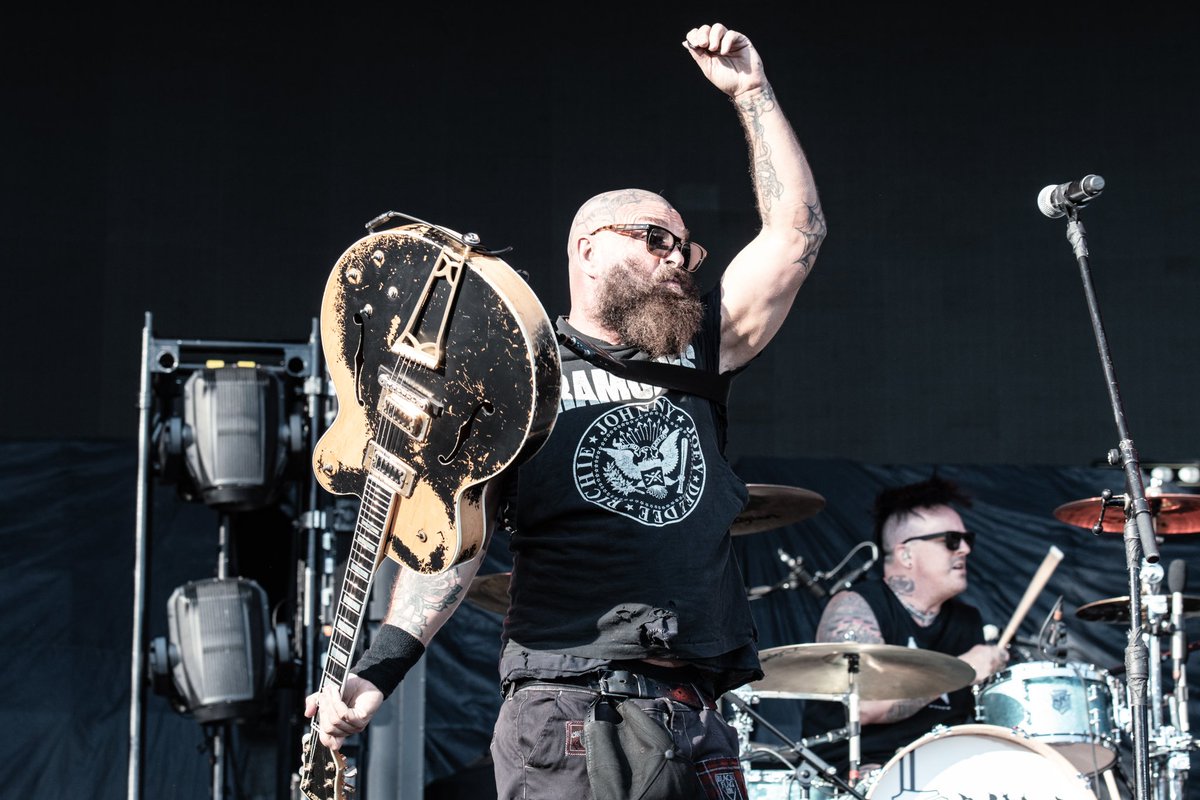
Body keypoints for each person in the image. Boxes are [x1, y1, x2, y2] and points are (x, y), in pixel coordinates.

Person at [307, 21, 826, 799]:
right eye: (655, 239)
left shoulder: (698, 356)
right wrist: (380, 667)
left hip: (693, 711)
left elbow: (796, 234)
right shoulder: (513, 379)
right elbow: (456, 541)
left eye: (685, 249)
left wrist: (753, 91)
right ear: (587, 247)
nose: (676, 260)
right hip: (568, 708)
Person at [799, 476, 1009, 778]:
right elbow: (866, 706)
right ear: (906, 554)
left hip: (941, 772)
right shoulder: (856, 607)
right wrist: (962, 670)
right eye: (951, 540)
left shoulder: (967, 620)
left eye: (968, 539)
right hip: (855, 776)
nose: (964, 549)